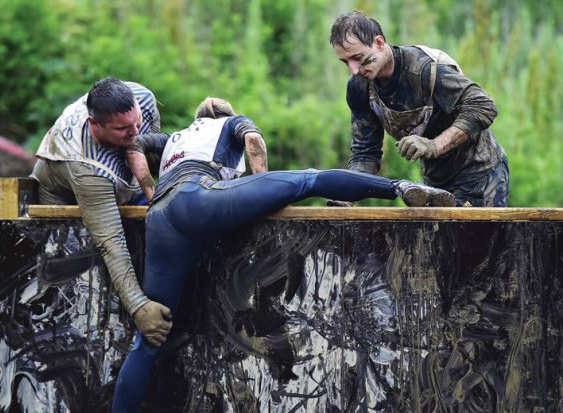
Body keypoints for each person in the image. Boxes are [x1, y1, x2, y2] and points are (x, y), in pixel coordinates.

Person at [111, 97, 456, 412]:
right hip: (200, 198)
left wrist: (148, 186)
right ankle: (399, 187)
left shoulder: (175, 138)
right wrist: (263, 186)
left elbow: (134, 144)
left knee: (150, 337)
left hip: (161, 216)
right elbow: (254, 142)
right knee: (308, 180)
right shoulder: (229, 123)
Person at [30, 77, 174, 350]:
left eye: (137, 122)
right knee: (80, 281)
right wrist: (139, 307)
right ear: (95, 124)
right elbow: (111, 243)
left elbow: (149, 154)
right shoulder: (86, 166)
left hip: (120, 186)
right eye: (123, 129)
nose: (135, 131)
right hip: (64, 198)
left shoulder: (142, 98)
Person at [329, 11, 509, 207]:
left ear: (379, 43)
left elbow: (483, 105)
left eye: (358, 57)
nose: (354, 69)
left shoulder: (425, 69)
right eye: (346, 62)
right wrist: (348, 192)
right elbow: (365, 153)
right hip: (436, 182)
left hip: (480, 172)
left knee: (483, 237)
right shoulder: (359, 87)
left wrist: (434, 146)